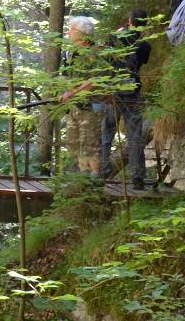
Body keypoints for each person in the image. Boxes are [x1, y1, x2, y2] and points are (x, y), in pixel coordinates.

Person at [100, 10, 152, 190]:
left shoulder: (114, 38)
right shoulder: (144, 45)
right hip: (132, 93)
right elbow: (142, 62)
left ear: (129, 21)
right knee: (135, 135)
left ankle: (101, 173)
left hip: (112, 93)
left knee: (107, 134)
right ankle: (137, 177)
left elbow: (105, 58)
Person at [60, 15, 100, 175]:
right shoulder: (69, 53)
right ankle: (82, 179)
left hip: (91, 105)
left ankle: (95, 179)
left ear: (82, 33)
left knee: (90, 144)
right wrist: (64, 92)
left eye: (71, 29)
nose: (68, 32)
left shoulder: (93, 52)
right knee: (74, 145)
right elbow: (65, 77)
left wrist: (72, 92)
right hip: (73, 107)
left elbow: (94, 81)